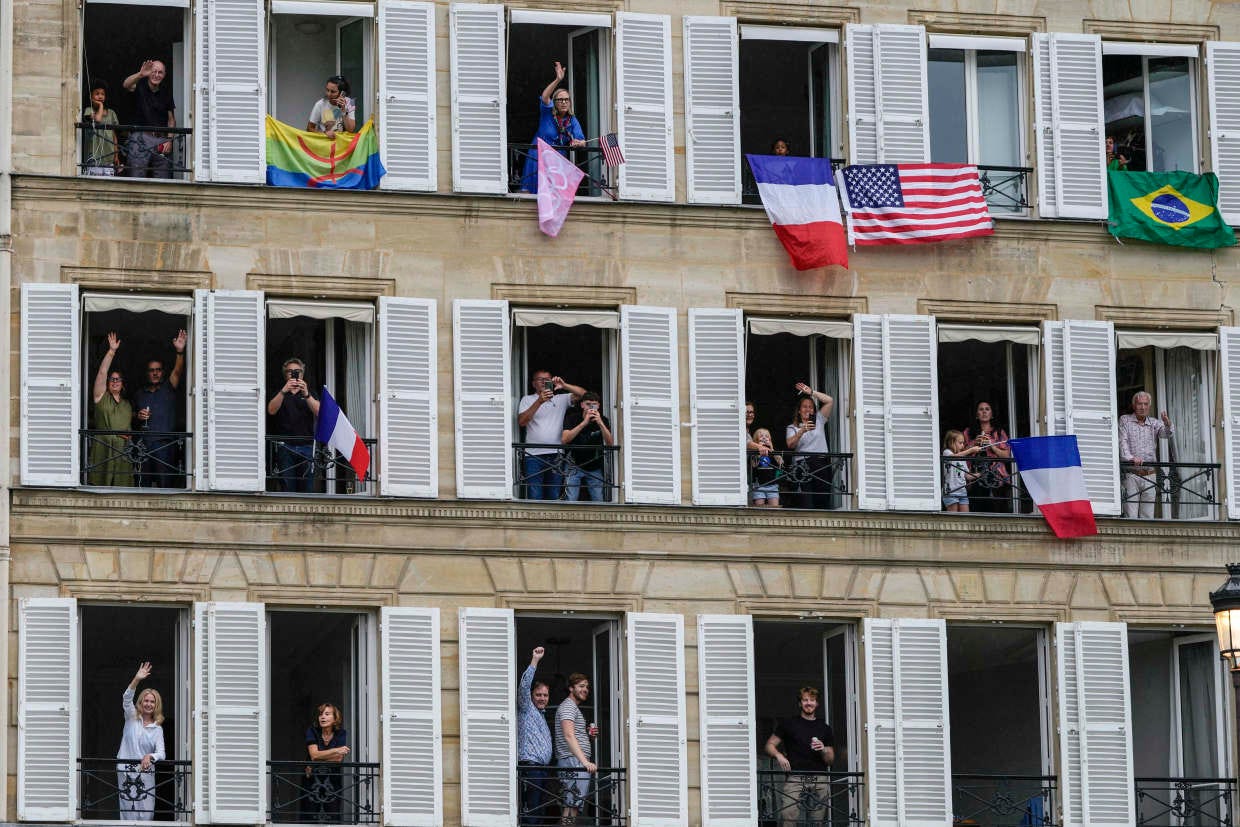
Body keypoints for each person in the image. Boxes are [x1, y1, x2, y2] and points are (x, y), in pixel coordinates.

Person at [764, 686, 835, 827]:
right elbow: (769, 745)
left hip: (819, 778)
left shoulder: (825, 728)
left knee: (817, 821)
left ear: (817, 703)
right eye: (805, 700)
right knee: (788, 816)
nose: (809, 703)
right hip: (795, 777)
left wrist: (823, 749)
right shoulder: (788, 724)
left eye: (812, 700)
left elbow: (830, 760)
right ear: (800, 703)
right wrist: (779, 755)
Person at [517, 370, 586, 500]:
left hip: (556, 455)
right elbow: (522, 422)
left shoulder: (560, 399)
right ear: (533, 383)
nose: (544, 382)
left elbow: (584, 394)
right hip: (533, 455)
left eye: (547, 379)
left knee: (553, 496)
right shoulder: (527, 399)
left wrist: (565, 385)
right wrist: (539, 401)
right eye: (540, 379)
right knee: (534, 496)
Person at [520, 61, 586, 193]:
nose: (563, 102)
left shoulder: (572, 120)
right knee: (536, 192)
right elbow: (545, 96)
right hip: (539, 156)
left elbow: (582, 141)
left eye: (566, 100)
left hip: (558, 159)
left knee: (555, 194)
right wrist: (558, 79)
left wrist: (579, 143)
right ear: (554, 102)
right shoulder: (547, 112)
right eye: (560, 100)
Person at [132, 330, 187, 488]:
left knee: (165, 487)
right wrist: (138, 416)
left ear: (162, 372)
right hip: (144, 446)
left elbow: (177, 371)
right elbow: (131, 415)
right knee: (143, 487)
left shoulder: (168, 388)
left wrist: (180, 351)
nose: (155, 373)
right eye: (151, 370)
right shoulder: (139, 394)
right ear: (147, 373)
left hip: (165, 447)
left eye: (158, 370)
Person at [116, 662, 165, 821]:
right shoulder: (131, 717)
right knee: (127, 813)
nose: (149, 704)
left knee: (146, 814)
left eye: (152, 702)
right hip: (126, 772)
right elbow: (126, 697)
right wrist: (137, 679)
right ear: (141, 702)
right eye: (146, 700)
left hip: (145, 774)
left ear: (156, 705)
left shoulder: (157, 728)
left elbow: (161, 753)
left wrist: (149, 756)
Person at [267, 358, 321, 492]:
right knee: (287, 488)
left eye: (297, 371)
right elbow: (271, 410)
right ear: (285, 375)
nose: (294, 374)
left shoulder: (311, 393)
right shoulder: (279, 392)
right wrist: (283, 391)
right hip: (286, 447)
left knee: (306, 488)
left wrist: (307, 395)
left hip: (306, 447)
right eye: (290, 372)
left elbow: (320, 412)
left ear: (302, 374)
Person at [89, 332, 135, 486]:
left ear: (123, 383)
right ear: (108, 382)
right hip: (104, 451)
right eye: (112, 379)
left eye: (118, 379)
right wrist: (111, 352)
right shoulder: (100, 396)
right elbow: (102, 372)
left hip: (122, 452)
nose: (115, 382)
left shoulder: (127, 404)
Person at [1119, 391, 1174, 518]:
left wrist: (1167, 423)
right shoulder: (1125, 420)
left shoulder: (1154, 423)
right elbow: (1123, 443)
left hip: (1150, 475)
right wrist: (1131, 458)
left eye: (1145, 404)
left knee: (1147, 517)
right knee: (1130, 515)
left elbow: (1167, 434)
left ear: (1149, 406)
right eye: (1139, 404)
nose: (1142, 407)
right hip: (1131, 474)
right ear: (1134, 405)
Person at [517, 647, 554, 825]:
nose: (542, 698)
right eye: (538, 695)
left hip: (542, 769)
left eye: (545, 695)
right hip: (531, 767)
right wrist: (535, 660)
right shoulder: (526, 708)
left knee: (541, 813)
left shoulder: (542, 714)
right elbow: (524, 685)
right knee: (531, 812)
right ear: (531, 696)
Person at [554, 673, 597, 826]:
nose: (585, 689)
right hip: (573, 761)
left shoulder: (572, 708)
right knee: (570, 804)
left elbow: (574, 735)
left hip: (576, 760)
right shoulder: (568, 707)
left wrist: (588, 736)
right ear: (571, 688)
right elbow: (568, 736)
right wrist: (585, 762)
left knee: (573, 805)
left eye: (587, 687)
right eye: (581, 686)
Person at [122, 60, 176, 178]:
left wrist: (169, 140)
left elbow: (171, 120)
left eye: (160, 72)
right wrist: (140, 74)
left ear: (164, 75)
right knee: (136, 177)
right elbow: (126, 84)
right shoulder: (139, 86)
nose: (157, 75)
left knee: (163, 179)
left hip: (161, 140)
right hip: (140, 138)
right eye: (154, 71)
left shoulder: (166, 92)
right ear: (148, 72)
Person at [784, 382, 835, 509]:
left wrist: (811, 392)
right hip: (802, 466)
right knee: (806, 503)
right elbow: (790, 444)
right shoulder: (792, 427)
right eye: (805, 407)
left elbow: (829, 401)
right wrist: (802, 431)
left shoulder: (819, 419)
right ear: (799, 411)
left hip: (821, 464)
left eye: (811, 407)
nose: (808, 409)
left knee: (822, 501)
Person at [561, 391, 614, 502]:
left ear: (598, 406)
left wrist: (600, 423)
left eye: (594, 404)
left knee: (598, 499)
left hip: (594, 466)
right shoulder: (572, 418)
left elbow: (610, 443)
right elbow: (565, 439)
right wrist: (584, 423)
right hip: (573, 465)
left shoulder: (603, 420)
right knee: (571, 499)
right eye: (588, 404)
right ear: (582, 405)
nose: (591, 407)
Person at [962, 401, 1012, 513]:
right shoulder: (968, 432)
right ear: (976, 414)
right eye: (981, 409)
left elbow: (1007, 455)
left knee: (997, 509)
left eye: (987, 409)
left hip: (996, 476)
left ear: (992, 414)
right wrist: (974, 444)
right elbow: (959, 453)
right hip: (974, 475)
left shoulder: (999, 433)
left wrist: (992, 445)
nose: (984, 411)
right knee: (976, 508)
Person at [305, 702, 349, 821]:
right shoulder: (312, 731)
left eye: (327, 714)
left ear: (335, 718)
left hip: (332, 780)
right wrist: (336, 750)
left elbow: (338, 759)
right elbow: (313, 755)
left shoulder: (341, 733)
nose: (322, 717)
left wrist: (319, 757)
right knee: (310, 815)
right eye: (321, 714)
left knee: (333, 814)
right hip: (312, 780)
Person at [82, 79, 119, 175]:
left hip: (108, 155)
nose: (100, 96)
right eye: (97, 94)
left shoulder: (111, 113)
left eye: (103, 94)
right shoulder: (89, 110)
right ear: (91, 96)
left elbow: (114, 136)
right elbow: (98, 119)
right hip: (94, 156)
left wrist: (116, 155)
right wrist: (101, 105)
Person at [942, 430, 982, 512]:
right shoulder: (947, 452)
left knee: (966, 516)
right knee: (954, 518)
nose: (962, 445)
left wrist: (980, 474)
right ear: (951, 442)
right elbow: (953, 457)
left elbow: (967, 476)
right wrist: (970, 450)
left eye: (963, 443)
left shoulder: (962, 457)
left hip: (962, 491)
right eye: (960, 443)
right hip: (951, 491)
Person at [306, 76, 357, 141]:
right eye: (327, 90)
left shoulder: (349, 103)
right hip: (325, 143)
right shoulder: (320, 104)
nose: (328, 94)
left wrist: (344, 110)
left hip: (342, 144)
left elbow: (351, 130)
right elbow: (309, 128)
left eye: (333, 92)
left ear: (342, 93)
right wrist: (325, 133)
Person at [750, 428, 783, 507]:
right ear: (756, 440)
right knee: (759, 508)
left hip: (772, 485)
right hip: (758, 486)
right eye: (761, 436)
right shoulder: (754, 453)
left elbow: (781, 463)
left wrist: (772, 449)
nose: (764, 438)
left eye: (766, 436)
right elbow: (753, 465)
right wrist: (759, 449)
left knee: (774, 507)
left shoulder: (773, 452)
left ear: (770, 439)